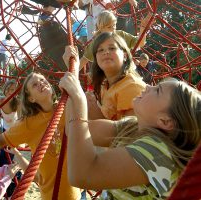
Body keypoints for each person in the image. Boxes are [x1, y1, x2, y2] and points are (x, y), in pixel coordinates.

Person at [60, 44, 201, 199]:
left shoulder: (159, 153)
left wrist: (78, 99)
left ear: (165, 121)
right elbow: (74, 129)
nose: (148, 87)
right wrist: (72, 75)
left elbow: (82, 174)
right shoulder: (134, 125)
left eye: (157, 90)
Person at [0, 72, 81, 199]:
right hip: (53, 195)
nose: (41, 83)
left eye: (42, 80)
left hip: (78, 191)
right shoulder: (28, 124)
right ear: (31, 99)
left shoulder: (67, 106)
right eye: (34, 85)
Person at [85, 32, 146, 120]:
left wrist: (94, 112)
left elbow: (131, 132)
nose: (106, 52)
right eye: (100, 50)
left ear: (124, 55)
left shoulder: (132, 87)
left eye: (112, 48)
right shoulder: (105, 86)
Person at [80, 10, 153, 70]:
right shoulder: (96, 43)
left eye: (114, 25)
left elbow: (140, 43)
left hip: (128, 74)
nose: (113, 29)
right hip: (110, 79)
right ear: (100, 28)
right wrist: (72, 73)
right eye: (109, 27)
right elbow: (83, 60)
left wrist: (143, 29)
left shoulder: (120, 35)